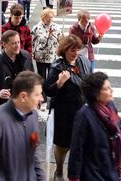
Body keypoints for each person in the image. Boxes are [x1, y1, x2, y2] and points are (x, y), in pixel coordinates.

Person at [0, 71, 45, 181]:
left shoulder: (32, 116)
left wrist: (40, 178)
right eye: (37, 94)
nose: (42, 99)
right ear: (23, 96)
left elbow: (33, 153)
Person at [68, 72, 121, 181]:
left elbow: (119, 131)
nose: (111, 90)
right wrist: (74, 177)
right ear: (96, 93)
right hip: (93, 174)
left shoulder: (110, 106)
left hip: (112, 170)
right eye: (107, 88)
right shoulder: (84, 115)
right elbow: (76, 149)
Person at [45, 35, 91, 179]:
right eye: (72, 50)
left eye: (78, 49)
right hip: (63, 113)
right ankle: (58, 170)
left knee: (81, 145)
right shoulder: (57, 67)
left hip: (81, 111)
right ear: (64, 50)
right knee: (63, 145)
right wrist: (59, 83)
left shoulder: (84, 62)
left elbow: (89, 81)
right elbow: (48, 90)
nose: (76, 53)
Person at [0, 30, 34, 109]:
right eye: (13, 43)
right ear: (4, 44)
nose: (17, 46)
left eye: (18, 42)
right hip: (2, 106)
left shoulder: (26, 56)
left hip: (22, 104)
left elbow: (32, 77)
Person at [31, 8, 62, 101]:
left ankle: (52, 96)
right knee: (42, 78)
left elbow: (61, 40)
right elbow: (32, 41)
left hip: (53, 57)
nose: (50, 19)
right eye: (48, 17)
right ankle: (42, 96)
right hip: (41, 57)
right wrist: (33, 52)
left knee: (52, 77)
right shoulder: (37, 27)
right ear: (43, 17)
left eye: (51, 17)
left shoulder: (56, 27)